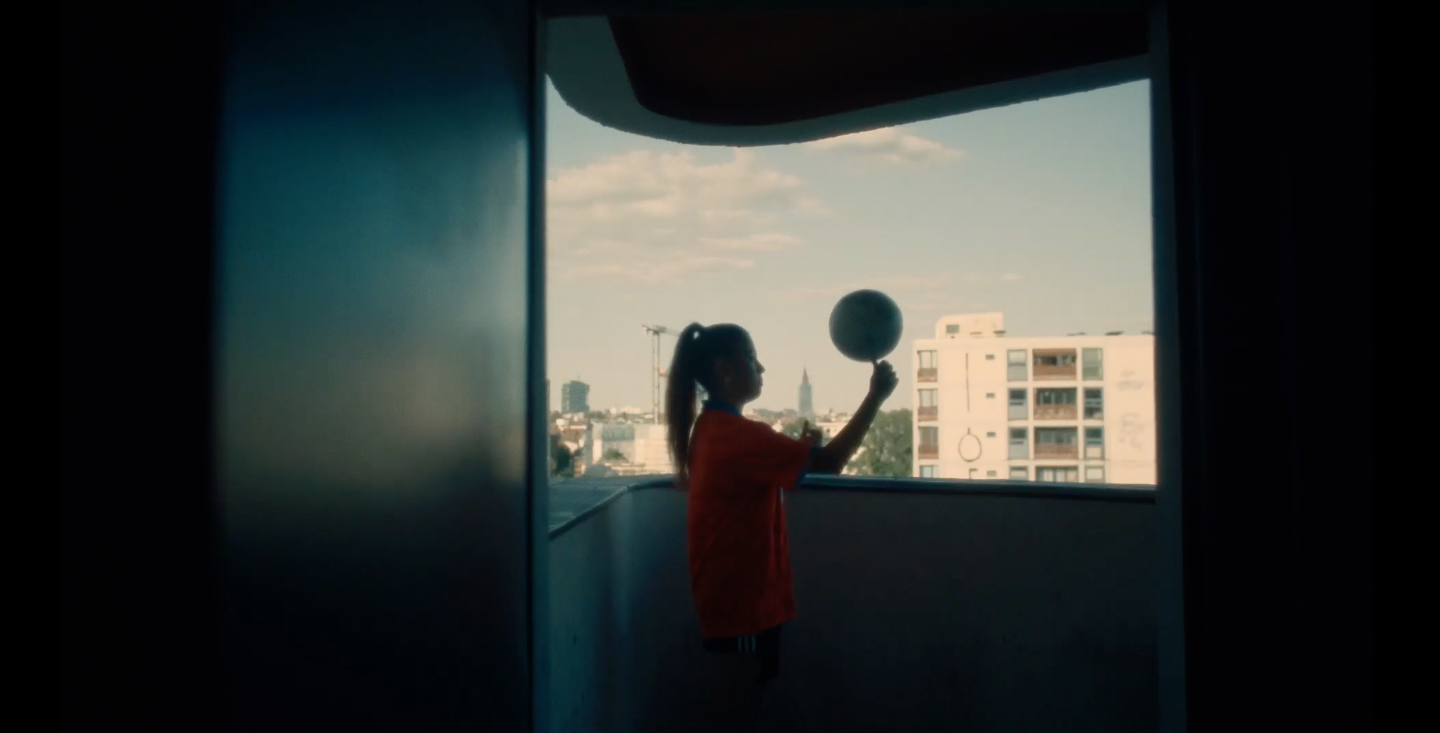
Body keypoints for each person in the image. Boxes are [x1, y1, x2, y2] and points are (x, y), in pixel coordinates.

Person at [665, 322, 899, 732]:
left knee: (737, 711)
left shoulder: (714, 428)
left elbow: (781, 462)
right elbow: (830, 464)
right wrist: (875, 397)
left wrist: (803, 449)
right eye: (751, 358)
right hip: (741, 605)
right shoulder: (735, 434)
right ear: (724, 369)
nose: (761, 368)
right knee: (736, 715)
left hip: (738, 599)